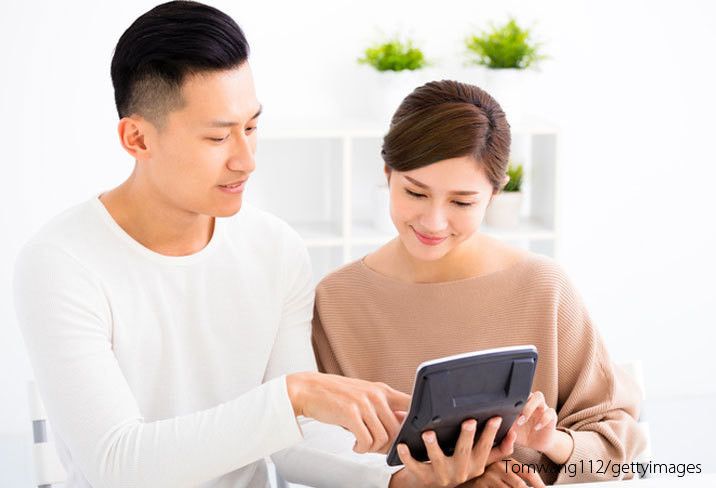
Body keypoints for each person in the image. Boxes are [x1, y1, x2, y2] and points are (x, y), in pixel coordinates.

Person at [11, 2, 433, 486]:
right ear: (138, 139)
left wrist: (402, 480)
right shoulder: (61, 263)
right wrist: (292, 397)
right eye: (218, 138)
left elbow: (293, 442)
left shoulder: (275, 249)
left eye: (251, 127)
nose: (246, 160)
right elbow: (117, 465)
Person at [312, 80, 647, 486]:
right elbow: (319, 455)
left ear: (494, 194)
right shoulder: (336, 301)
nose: (434, 221)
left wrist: (549, 443)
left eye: (462, 202)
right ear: (388, 174)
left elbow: (621, 451)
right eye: (415, 193)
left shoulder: (543, 288)